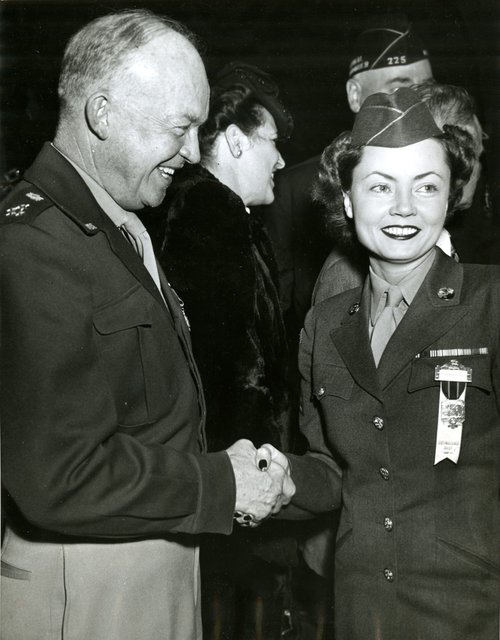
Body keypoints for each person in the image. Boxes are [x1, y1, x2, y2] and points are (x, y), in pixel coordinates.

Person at [0, 11, 294, 640]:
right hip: (87, 596)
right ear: (101, 114)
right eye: (180, 127)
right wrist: (221, 484)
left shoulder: (120, 226)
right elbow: (58, 474)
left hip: (151, 573)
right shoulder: (33, 247)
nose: (192, 153)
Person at [264, 87, 499, 639]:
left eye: (426, 187)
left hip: (475, 612)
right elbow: (330, 469)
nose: (403, 209)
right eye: (379, 187)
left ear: (450, 198)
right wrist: (276, 476)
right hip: (363, 607)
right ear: (346, 199)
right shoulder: (324, 325)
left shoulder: (490, 304)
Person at [160, 61, 296, 640]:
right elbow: (222, 361)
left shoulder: (221, 211)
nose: (283, 160)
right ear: (236, 141)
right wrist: (248, 466)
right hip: (230, 470)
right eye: (273, 143)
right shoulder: (210, 211)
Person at [260, 16, 433, 331]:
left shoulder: (449, 180)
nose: (418, 104)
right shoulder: (294, 189)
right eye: (399, 89)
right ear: (355, 95)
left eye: (427, 90)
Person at [313, 81, 491, 304]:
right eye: (469, 153)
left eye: (426, 187)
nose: (475, 168)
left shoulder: (455, 241)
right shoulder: (347, 277)